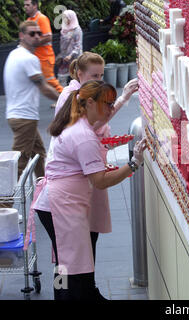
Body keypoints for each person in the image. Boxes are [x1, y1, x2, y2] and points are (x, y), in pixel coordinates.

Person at [30, 80, 146, 300]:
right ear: (90, 102)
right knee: (73, 267)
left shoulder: (78, 121)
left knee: (63, 261)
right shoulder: (83, 136)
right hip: (60, 206)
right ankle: (71, 295)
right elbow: (100, 181)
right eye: (108, 104)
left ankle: (65, 294)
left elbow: (102, 123)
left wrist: (123, 98)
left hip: (55, 203)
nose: (111, 109)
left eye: (113, 104)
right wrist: (133, 163)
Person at [49, 52, 138, 266]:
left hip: (76, 182)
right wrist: (134, 163)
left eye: (101, 76)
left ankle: (84, 288)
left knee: (78, 249)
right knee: (71, 256)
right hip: (72, 188)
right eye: (94, 76)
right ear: (79, 74)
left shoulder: (83, 131)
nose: (99, 81)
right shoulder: (80, 125)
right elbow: (93, 129)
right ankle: (76, 290)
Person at [4, 21, 60, 180]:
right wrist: (65, 98)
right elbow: (43, 87)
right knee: (19, 163)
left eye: (39, 33)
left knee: (39, 154)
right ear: (22, 36)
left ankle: (43, 192)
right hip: (24, 118)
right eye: (32, 33)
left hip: (20, 116)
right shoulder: (28, 58)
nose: (37, 36)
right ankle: (3, 202)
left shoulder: (15, 54)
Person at [24, 0, 63, 96]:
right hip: (36, 59)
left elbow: (48, 37)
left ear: (35, 5)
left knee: (51, 82)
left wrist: (33, 43)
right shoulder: (29, 21)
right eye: (24, 5)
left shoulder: (41, 19)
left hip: (44, 58)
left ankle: (67, 100)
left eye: (28, 5)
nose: (25, 7)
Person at [56, 10, 83, 87]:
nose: (64, 20)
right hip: (64, 58)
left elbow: (78, 46)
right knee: (61, 77)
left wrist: (71, 55)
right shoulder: (64, 29)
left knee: (76, 79)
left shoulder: (77, 30)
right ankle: (63, 96)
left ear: (71, 18)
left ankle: (76, 96)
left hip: (74, 58)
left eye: (66, 18)